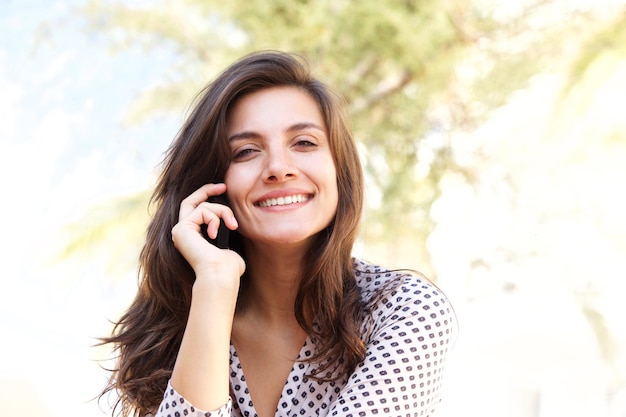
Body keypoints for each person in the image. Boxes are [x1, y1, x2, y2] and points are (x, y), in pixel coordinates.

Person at [99, 50, 456, 417]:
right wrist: (215, 282)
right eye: (246, 151)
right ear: (213, 182)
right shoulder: (175, 329)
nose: (278, 168)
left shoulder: (404, 310)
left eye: (304, 143)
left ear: (339, 169)